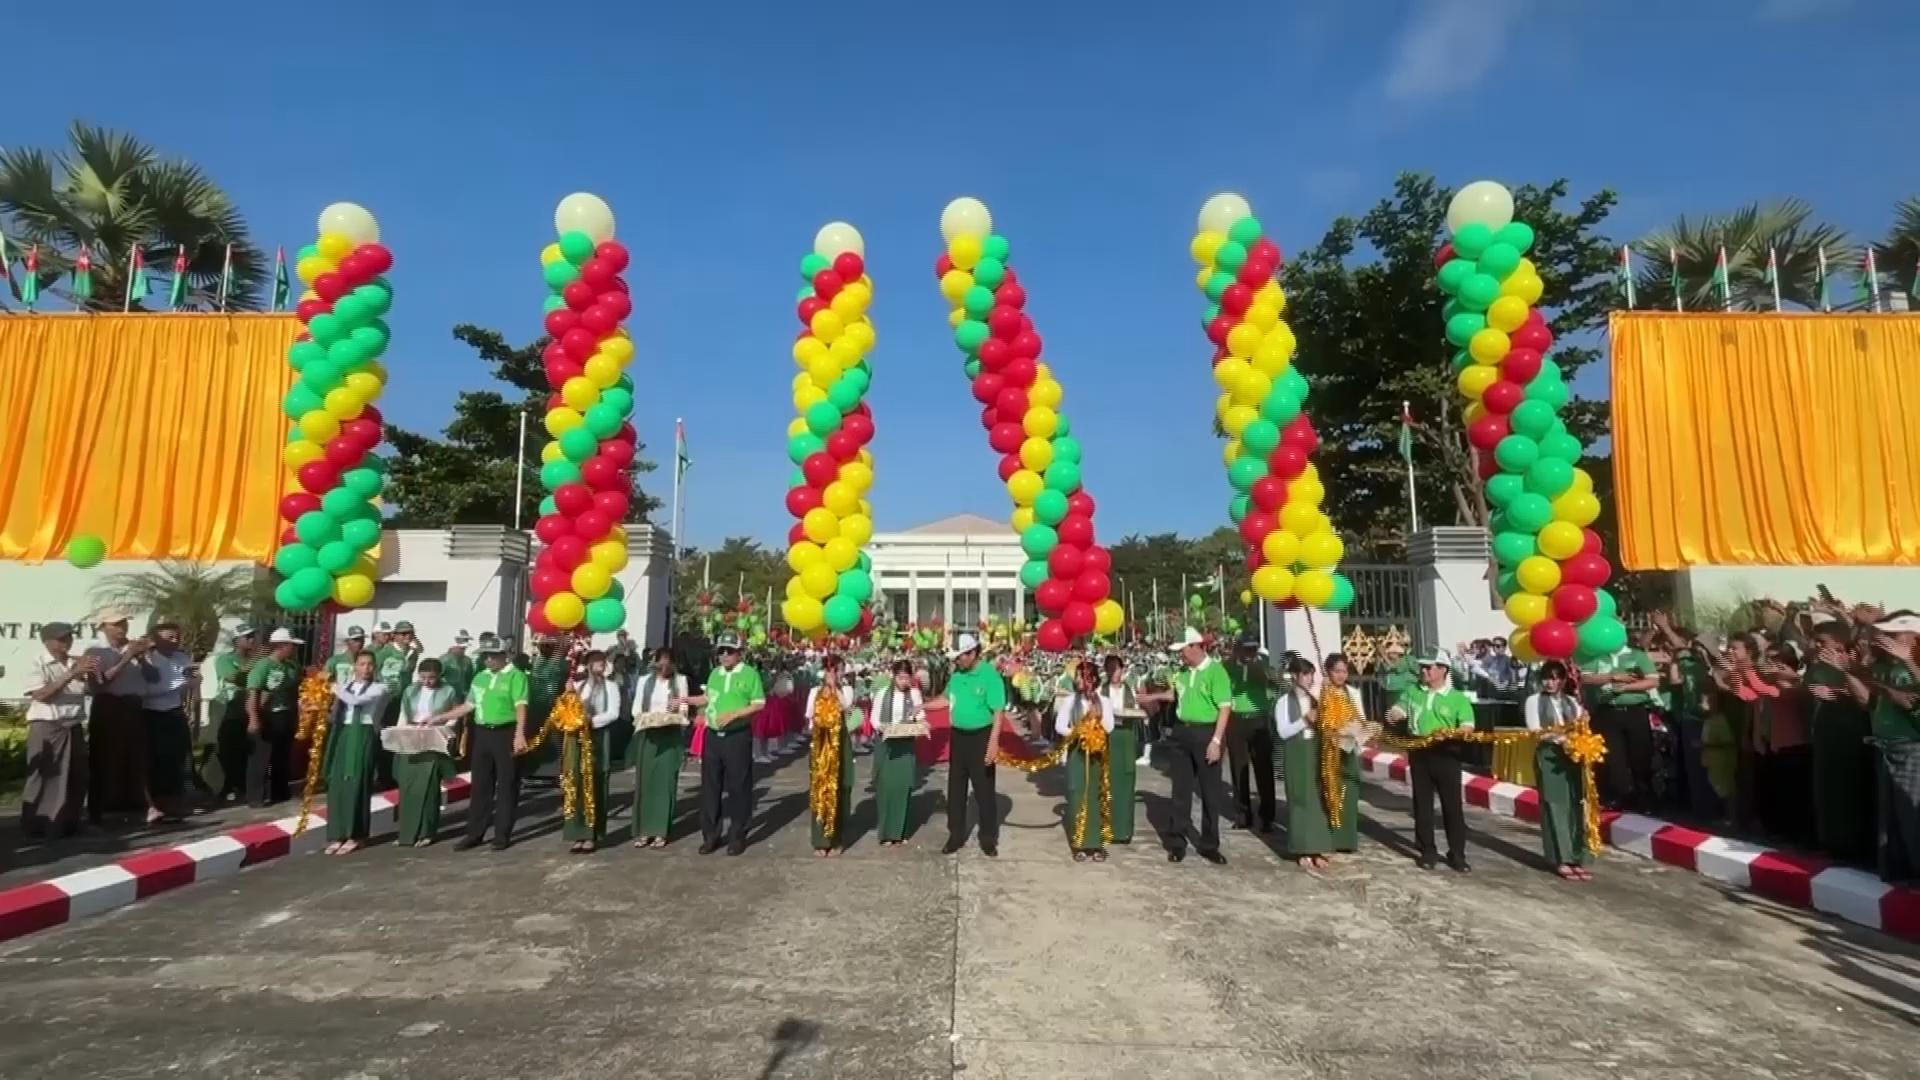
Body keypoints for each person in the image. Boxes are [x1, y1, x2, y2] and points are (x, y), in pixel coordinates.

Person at [1136, 628, 1232, 866]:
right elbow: (1176, 693)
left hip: (1206, 733)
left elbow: (1225, 707)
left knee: (1210, 793)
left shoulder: (1216, 671)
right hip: (1181, 733)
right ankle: (1177, 842)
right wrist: (1151, 698)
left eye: (1182, 650)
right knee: (1180, 790)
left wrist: (1216, 741)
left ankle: (1209, 844)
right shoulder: (1182, 672)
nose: (1180, 656)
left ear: (1195, 646)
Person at [1845, 614, 1920, 883]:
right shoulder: (1884, 667)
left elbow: (1910, 701)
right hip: (1885, 748)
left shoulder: (1910, 666)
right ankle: (1898, 872)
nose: (1886, 641)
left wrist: (1908, 661)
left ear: (1913, 638)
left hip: (1911, 750)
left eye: (1894, 636)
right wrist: (1850, 671)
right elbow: (1867, 702)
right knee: (1892, 818)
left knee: (1913, 815)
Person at [1389, 653, 1475, 872]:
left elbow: (1468, 727)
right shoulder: (1412, 691)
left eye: (1430, 667)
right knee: (1422, 804)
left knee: (1452, 806)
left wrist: (1451, 733)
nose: (1424, 671)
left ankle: (1457, 853)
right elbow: (1399, 709)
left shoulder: (1457, 698)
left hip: (1446, 752)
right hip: (1420, 751)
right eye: (1423, 667)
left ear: (1443, 670)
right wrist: (1394, 714)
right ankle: (1427, 850)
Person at [924, 633, 1007, 857]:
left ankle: (988, 838)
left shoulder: (990, 676)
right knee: (956, 788)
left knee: (984, 791)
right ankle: (956, 834)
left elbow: (999, 711)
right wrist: (922, 706)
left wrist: (993, 743)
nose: (957, 661)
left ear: (973, 653)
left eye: (960, 657)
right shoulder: (957, 675)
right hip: (959, 737)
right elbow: (946, 699)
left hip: (981, 736)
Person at [686, 635, 764, 856]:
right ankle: (711, 835)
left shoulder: (750, 674)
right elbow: (709, 698)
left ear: (739, 653)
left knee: (738, 787)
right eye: (721, 651)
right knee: (710, 787)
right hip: (713, 737)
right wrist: (688, 700)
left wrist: (735, 714)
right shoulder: (715, 674)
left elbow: (759, 703)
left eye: (729, 651)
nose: (725, 656)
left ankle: (738, 835)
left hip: (737, 736)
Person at [451, 635, 530, 851]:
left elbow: (521, 706)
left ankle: (502, 834)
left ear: (504, 656)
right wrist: (442, 717)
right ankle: (475, 832)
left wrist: (519, 734)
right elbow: (469, 705)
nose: (488, 660)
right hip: (482, 733)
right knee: (480, 785)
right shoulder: (480, 677)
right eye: (485, 656)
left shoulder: (516, 676)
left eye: (493, 656)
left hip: (506, 731)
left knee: (507, 784)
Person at [1806, 620, 1876, 862]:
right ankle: (1830, 843)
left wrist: (1836, 690)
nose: (1816, 646)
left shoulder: (1855, 664)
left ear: (1838, 642)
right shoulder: (1816, 665)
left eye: (1821, 642)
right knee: (1826, 792)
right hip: (1824, 734)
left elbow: (1867, 698)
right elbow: (1808, 687)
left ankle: (1852, 847)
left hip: (1850, 737)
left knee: (1848, 794)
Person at [21, 623, 96, 838]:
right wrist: (70, 675)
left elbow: (90, 690)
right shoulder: (38, 662)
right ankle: (39, 824)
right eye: (61, 639)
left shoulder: (75, 661)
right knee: (46, 776)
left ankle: (70, 822)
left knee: (76, 776)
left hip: (73, 724)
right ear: (47, 641)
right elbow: (40, 695)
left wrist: (88, 676)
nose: (67, 642)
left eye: (69, 637)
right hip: (48, 725)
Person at [1523, 661, 1591, 881]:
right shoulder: (1534, 701)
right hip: (1550, 755)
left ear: (1563, 680)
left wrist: (1583, 729)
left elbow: (1582, 729)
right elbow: (1536, 730)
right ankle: (1560, 857)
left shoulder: (1572, 702)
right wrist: (1563, 739)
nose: (1550, 683)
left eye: (1554, 678)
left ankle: (1576, 856)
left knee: (1575, 805)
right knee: (1554, 805)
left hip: (1573, 757)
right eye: (1546, 678)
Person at [84, 610, 151, 822]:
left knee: (135, 758)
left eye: (124, 623)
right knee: (103, 757)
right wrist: (126, 658)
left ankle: (132, 805)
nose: (122, 628)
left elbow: (153, 677)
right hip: (109, 705)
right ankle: (96, 811)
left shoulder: (134, 647)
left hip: (134, 705)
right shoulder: (95, 651)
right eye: (116, 624)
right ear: (103, 628)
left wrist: (142, 658)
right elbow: (99, 683)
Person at [1581, 633, 1660, 812]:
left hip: (1634, 711)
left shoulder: (1637, 655)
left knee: (1640, 755)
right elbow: (1585, 678)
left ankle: (1645, 797)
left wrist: (1626, 687)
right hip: (1607, 712)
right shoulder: (1598, 657)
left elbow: (1653, 680)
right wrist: (1612, 677)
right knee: (1614, 757)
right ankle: (1623, 795)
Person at [1273, 656, 1338, 872]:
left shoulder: (1317, 698)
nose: (1309, 679)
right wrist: (1305, 720)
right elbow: (1283, 732)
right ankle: (1302, 848)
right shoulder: (1283, 702)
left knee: (1319, 800)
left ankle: (1319, 847)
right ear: (1294, 676)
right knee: (1300, 800)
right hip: (1296, 755)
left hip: (1316, 754)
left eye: (1311, 674)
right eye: (1305, 674)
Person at [392, 657, 459, 847]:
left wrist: (442, 726)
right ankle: (406, 833)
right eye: (423, 677)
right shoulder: (410, 690)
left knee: (429, 788)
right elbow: (403, 716)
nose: (426, 681)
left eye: (430, 678)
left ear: (438, 676)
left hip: (434, 738)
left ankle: (426, 832)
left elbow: (454, 717)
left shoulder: (448, 691)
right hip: (411, 738)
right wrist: (399, 737)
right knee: (408, 787)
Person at [325, 651, 387, 856]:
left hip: (362, 733)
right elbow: (336, 712)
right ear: (355, 667)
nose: (366, 668)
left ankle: (356, 834)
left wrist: (334, 687)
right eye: (362, 664)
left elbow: (356, 701)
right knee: (338, 783)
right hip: (343, 733)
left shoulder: (379, 688)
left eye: (370, 664)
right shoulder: (346, 687)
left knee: (357, 782)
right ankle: (337, 833)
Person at [628, 647, 690, 849]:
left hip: (669, 734)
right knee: (645, 782)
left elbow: (683, 707)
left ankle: (660, 831)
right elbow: (636, 708)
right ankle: (644, 831)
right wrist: (643, 718)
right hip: (648, 732)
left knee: (665, 783)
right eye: (660, 661)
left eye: (667, 662)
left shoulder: (680, 681)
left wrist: (676, 710)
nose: (664, 666)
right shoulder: (644, 681)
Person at [1053, 657, 1114, 863]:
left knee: (1097, 796)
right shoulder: (1071, 701)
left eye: (1081, 676)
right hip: (1077, 752)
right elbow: (1060, 726)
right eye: (1077, 677)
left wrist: (1096, 726)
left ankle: (1097, 843)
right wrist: (1078, 732)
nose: (1078, 680)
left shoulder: (1103, 701)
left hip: (1097, 754)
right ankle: (1078, 844)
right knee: (1077, 794)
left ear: (1091, 679)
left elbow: (1110, 726)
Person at [138, 618, 197, 823]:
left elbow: (192, 681)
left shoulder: (181, 658)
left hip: (175, 711)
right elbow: (149, 691)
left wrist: (188, 689)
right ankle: (157, 804)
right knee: (158, 760)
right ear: (156, 640)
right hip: (153, 714)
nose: (175, 641)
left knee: (178, 758)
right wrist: (180, 685)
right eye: (170, 637)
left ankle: (175, 800)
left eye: (177, 637)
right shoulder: (149, 660)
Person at [563, 650, 621, 854]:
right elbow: (567, 710)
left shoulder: (611, 686)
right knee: (576, 783)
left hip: (597, 737)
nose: (599, 665)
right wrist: (568, 696)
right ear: (587, 665)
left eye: (601, 662)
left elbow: (613, 713)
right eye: (595, 661)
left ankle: (591, 834)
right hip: (576, 737)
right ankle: (576, 833)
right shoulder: (578, 686)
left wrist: (590, 722)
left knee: (594, 782)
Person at [805, 654, 860, 856]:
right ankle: (820, 840)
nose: (833, 674)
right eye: (830, 670)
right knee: (820, 789)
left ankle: (837, 839)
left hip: (840, 743)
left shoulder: (846, 690)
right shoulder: (814, 692)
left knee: (840, 789)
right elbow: (810, 715)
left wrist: (834, 689)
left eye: (837, 670)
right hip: (820, 745)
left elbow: (847, 707)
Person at [243, 629, 305, 807]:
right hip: (267, 716)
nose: (294, 650)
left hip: (285, 715)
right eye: (291, 646)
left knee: (282, 756)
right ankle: (255, 797)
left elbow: (296, 690)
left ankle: (280, 792)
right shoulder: (263, 666)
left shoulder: (292, 666)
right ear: (281, 646)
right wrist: (254, 718)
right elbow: (252, 694)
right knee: (261, 758)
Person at [868, 658, 925, 848]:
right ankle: (885, 833)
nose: (903, 682)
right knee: (886, 788)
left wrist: (920, 725)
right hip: (886, 744)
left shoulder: (914, 694)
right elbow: (874, 718)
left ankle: (899, 832)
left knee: (902, 788)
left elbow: (920, 715)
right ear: (893, 676)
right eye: (900, 678)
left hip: (905, 745)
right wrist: (883, 728)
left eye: (906, 678)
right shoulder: (882, 693)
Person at [1224, 635, 1277, 834]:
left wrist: (1261, 671)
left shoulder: (1263, 664)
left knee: (1263, 769)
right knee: (1238, 768)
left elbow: (1275, 684)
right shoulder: (1227, 667)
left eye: (1253, 649)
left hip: (1259, 719)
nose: (1249, 654)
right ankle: (1242, 814)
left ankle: (1267, 816)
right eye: (1246, 649)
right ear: (1237, 649)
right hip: (1236, 719)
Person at [1320, 654, 1366, 854]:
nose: (1341, 676)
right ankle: (1328, 837)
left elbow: (1361, 719)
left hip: (1349, 747)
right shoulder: (1322, 693)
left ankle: (1346, 839)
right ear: (1328, 672)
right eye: (1337, 671)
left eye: (1344, 671)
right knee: (1330, 793)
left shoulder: (1352, 693)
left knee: (1350, 793)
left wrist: (1357, 733)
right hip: (1328, 750)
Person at [1099, 654, 1146, 844]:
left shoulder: (1130, 691)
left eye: (1116, 669)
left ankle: (1124, 830)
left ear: (1122, 670)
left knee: (1125, 784)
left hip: (1125, 736)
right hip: (1107, 736)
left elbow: (1139, 711)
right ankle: (1106, 828)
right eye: (1110, 669)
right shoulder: (1100, 691)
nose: (1114, 673)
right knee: (1106, 783)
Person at [208, 626, 257, 804]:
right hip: (229, 712)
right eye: (248, 637)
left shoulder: (255, 660)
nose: (252, 640)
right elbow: (233, 677)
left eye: (253, 636)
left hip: (250, 711)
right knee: (228, 751)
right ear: (237, 641)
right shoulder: (225, 659)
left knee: (248, 751)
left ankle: (243, 786)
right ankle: (228, 787)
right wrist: (255, 669)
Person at [438, 630, 476, 702]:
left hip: (461, 698)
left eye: (464, 648)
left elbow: (469, 680)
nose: (463, 650)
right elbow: (437, 678)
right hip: (446, 698)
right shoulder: (444, 659)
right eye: (461, 648)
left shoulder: (467, 661)